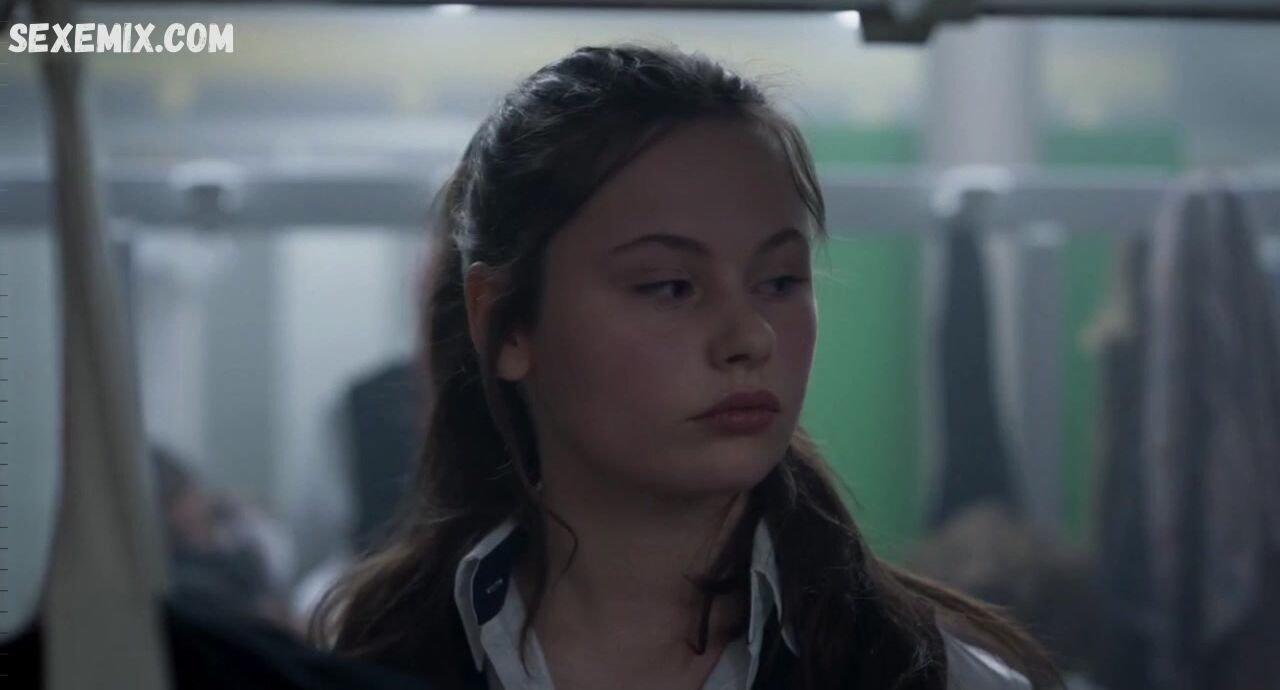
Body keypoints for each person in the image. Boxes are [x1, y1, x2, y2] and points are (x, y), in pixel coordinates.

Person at [314, 44, 1060, 690]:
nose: (749, 336)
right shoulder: (374, 659)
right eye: (670, 286)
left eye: (779, 281)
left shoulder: (930, 675)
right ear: (503, 324)